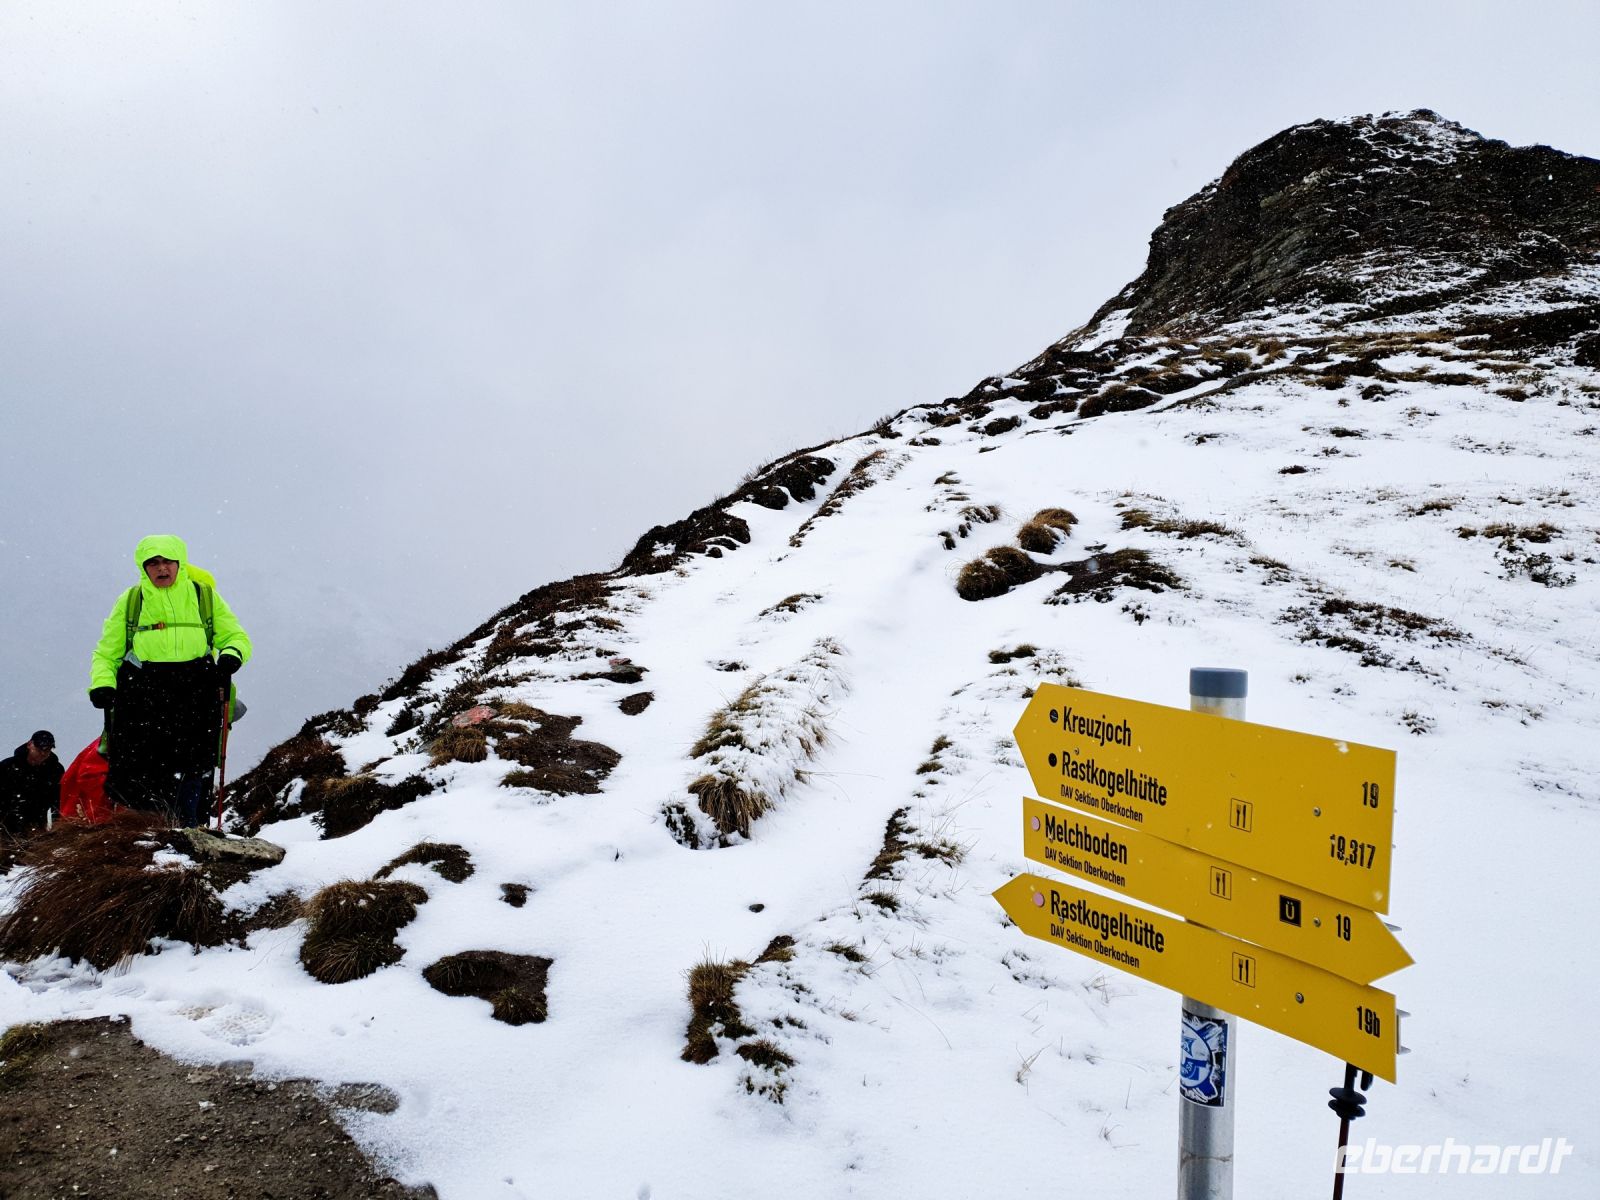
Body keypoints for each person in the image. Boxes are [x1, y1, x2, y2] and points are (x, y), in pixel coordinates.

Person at [88, 534, 252, 825]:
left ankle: (188, 826)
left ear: (179, 564)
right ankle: (150, 829)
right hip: (145, 692)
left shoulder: (204, 596)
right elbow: (107, 653)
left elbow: (235, 636)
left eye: (167, 562)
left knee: (194, 764)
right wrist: (102, 684)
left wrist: (232, 654)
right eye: (153, 563)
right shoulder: (131, 601)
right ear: (143, 567)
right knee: (145, 766)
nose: (161, 569)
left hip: (196, 690)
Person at [0, 730, 64, 838]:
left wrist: (57, 825)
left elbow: (58, 801)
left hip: (36, 827)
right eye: (40, 749)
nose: (43, 753)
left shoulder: (56, 770)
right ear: (30, 744)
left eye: (48, 750)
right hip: (5, 826)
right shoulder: (7, 767)